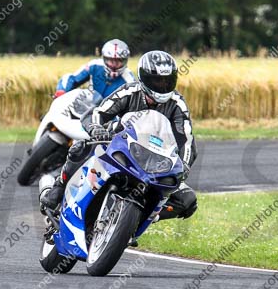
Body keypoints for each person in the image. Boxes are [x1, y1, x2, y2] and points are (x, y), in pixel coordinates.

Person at [41, 50, 198, 220]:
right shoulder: (129, 91)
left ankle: (141, 219)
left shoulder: (178, 104)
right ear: (144, 78)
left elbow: (187, 140)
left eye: (167, 80)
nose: (163, 85)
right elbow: (99, 112)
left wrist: (184, 165)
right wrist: (96, 128)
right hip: (120, 146)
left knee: (188, 200)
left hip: (155, 162)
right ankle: (59, 188)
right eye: (157, 80)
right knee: (80, 147)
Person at [54, 39, 134, 103]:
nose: (114, 65)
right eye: (111, 60)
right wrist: (62, 90)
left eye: (119, 60)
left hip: (113, 116)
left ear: (125, 60)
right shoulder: (94, 66)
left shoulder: (130, 80)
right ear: (104, 58)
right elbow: (72, 78)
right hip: (88, 110)